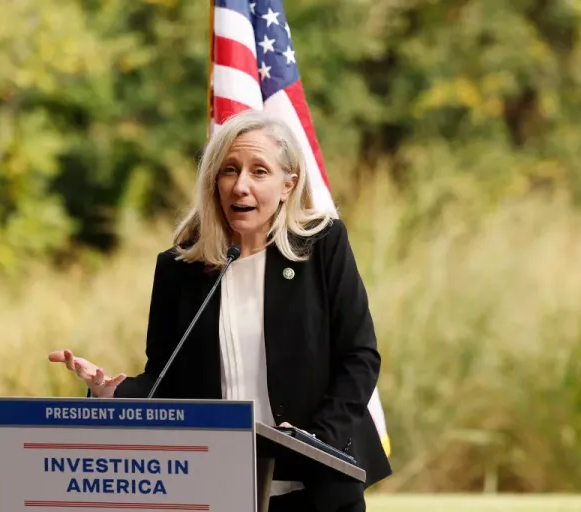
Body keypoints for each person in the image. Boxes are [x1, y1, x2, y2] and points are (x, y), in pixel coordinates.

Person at [48, 110, 392, 511]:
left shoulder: (321, 246)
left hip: (317, 485)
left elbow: (359, 356)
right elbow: (166, 379)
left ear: (288, 184)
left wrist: (316, 443)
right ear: (214, 181)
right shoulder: (180, 270)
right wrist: (111, 392)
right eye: (229, 170)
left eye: (259, 171)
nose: (240, 186)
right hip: (219, 488)